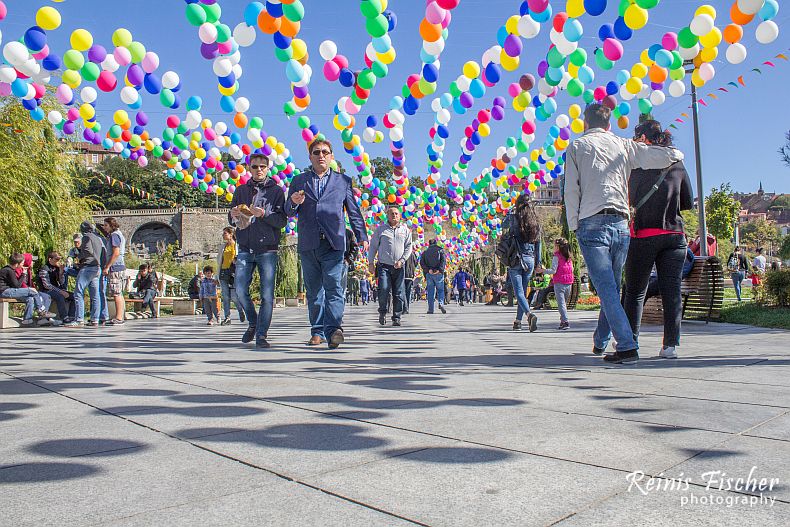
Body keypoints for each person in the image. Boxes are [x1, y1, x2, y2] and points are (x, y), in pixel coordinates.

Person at [564, 103, 684, 364]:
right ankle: (600, 341)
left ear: (585, 123)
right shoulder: (622, 144)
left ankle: (627, 346)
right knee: (612, 286)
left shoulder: (576, 147)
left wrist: (573, 224)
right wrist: (675, 153)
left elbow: (571, 190)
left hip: (591, 220)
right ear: (609, 125)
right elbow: (658, 156)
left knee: (606, 286)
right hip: (620, 224)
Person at [284, 139, 368, 349]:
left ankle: (334, 330)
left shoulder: (343, 181)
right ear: (310, 156)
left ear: (331, 156)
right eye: (316, 152)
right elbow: (287, 211)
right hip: (309, 243)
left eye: (325, 152)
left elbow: (354, 211)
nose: (321, 155)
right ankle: (317, 331)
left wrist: (362, 235)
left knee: (334, 287)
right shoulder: (298, 181)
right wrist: (293, 202)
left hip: (333, 242)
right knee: (314, 291)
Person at [621, 120, 694, 359]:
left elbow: (628, 199)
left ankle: (631, 341)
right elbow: (687, 201)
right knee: (671, 290)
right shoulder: (678, 163)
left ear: (642, 138)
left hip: (644, 234)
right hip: (675, 235)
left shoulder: (637, 164)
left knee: (635, 291)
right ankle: (670, 346)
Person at [229, 153, 288, 348]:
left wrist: (264, 214)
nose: (259, 169)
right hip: (245, 246)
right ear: (249, 168)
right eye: (255, 167)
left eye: (263, 166)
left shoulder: (277, 191)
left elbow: (281, 221)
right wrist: (234, 214)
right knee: (238, 290)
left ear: (268, 168)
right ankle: (253, 323)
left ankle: (261, 335)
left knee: (267, 295)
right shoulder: (240, 191)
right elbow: (232, 220)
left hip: (267, 249)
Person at [503, 194, 542, 332]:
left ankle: (529, 315)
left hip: (516, 259)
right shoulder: (535, 221)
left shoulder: (513, 219)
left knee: (518, 292)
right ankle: (518, 322)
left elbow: (503, 225)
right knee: (523, 292)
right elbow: (539, 243)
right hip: (530, 260)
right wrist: (539, 262)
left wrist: (509, 213)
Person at [368, 206, 413, 327]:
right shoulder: (381, 230)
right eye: (392, 213)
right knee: (383, 289)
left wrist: (402, 260)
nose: (394, 215)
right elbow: (373, 246)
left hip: (399, 266)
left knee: (398, 292)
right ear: (387, 216)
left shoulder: (405, 230)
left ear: (400, 216)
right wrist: (371, 263)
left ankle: (396, 317)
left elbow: (409, 247)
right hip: (384, 266)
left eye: (396, 214)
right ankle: (382, 312)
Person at [65, 221, 106, 328]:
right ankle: (95, 319)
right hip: (97, 268)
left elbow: (87, 251)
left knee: (78, 292)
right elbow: (103, 252)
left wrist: (81, 259)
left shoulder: (86, 238)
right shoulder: (98, 238)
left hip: (88, 267)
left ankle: (79, 319)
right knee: (95, 295)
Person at [0, 253, 56, 326]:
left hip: (9, 290)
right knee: (32, 291)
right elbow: (17, 285)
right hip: (4, 291)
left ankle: (27, 319)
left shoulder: (10, 269)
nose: (22, 265)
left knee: (30, 298)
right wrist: (23, 274)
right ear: (17, 264)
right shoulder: (9, 271)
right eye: (22, 263)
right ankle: (41, 310)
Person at [542, 238, 576, 331]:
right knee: (563, 303)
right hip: (569, 282)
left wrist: (543, 271)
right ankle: (563, 320)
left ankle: (565, 321)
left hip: (559, 282)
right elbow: (572, 269)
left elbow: (553, 270)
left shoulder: (556, 256)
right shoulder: (569, 257)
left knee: (561, 304)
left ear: (557, 247)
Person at [216, 226, 246, 327]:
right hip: (223, 272)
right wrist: (217, 276)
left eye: (225, 233)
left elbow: (242, 259)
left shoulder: (237, 246)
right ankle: (227, 318)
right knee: (225, 296)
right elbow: (219, 261)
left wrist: (237, 261)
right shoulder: (223, 247)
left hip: (234, 273)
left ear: (231, 234)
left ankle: (240, 310)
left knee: (234, 296)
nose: (223, 235)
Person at [38, 251, 75, 324]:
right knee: (60, 296)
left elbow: (61, 282)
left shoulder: (57, 268)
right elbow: (47, 285)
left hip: (56, 289)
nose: (58, 261)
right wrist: (60, 291)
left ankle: (72, 316)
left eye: (59, 259)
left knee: (74, 296)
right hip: (46, 290)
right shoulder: (44, 269)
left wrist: (61, 273)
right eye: (56, 259)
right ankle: (64, 317)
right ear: (50, 259)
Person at [102, 217, 127, 325]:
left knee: (116, 292)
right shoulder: (119, 234)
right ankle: (120, 316)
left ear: (112, 225)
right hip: (120, 266)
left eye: (106, 225)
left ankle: (119, 317)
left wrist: (107, 266)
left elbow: (116, 253)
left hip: (115, 267)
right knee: (118, 292)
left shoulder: (114, 235)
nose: (104, 227)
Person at [420, 239, 447, 314]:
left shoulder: (425, 252)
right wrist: (440, 270)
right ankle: (441, 303)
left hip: (429, 274)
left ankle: (430, 309)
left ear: (429, 244)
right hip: (438, 273)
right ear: (436, 243)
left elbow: (422, 262)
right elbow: (443, 261)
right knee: (440, 290)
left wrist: (428, 270)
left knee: (430, 292)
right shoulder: (441, 251)